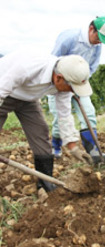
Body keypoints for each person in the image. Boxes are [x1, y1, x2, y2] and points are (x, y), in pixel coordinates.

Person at [0, 51, 93, 192]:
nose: (72, 91)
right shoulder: (27, 67)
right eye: (71, 87)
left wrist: (73, 147)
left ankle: (45, 182)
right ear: (59, 78)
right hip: (4, 92)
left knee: (40, 132)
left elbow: (64, 114)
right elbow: (2, 89)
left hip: (28, 100)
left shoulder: (64, 83)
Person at [48, 16, 105, 163]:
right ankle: (56, 148)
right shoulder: (69, 38)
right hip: (60, 84)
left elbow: (92, 67)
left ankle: (94, 152)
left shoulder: (98, 45)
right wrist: (63, 84)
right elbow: (52, 61)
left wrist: (80, 83)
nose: (100, 42)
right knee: (60, 120)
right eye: (99, 37)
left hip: (80, 84)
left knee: (89, 113)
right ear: (91, 29)